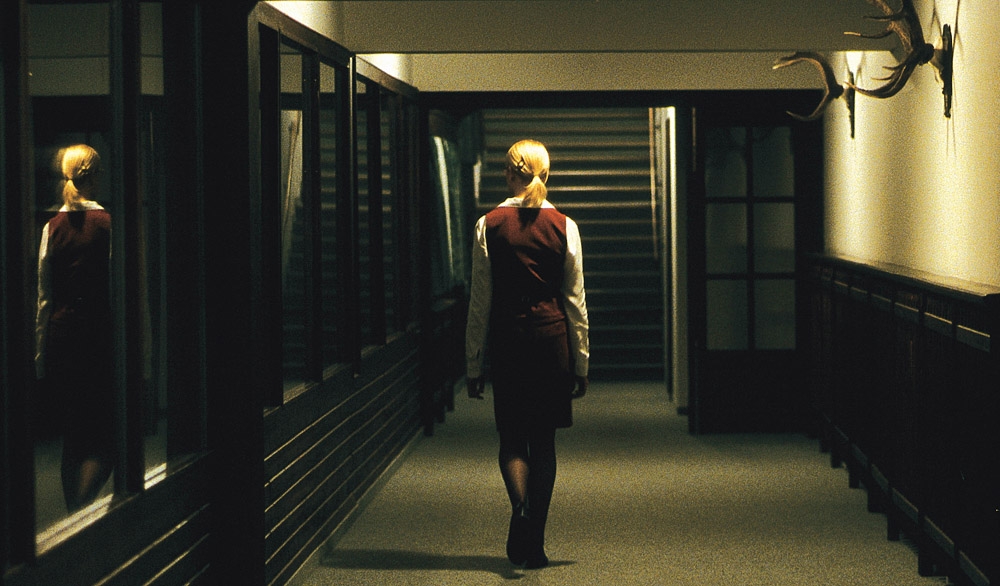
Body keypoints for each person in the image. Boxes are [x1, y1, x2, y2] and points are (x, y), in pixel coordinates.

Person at [465, 139, 589, 569]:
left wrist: (473, 362)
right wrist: (582, 361)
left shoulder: (489, 225)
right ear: (545, 175)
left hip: (509, 341)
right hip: (551, 341)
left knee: (513, 438)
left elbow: (480, 300)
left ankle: (520, 506)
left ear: (508, 173)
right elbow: (575, 301)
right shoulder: (565, 226)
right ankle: (534, 542)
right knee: (544, 442)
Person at [36, 144, 115, 512]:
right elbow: (118, 290)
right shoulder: (107, 224)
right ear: (94, 176)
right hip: (97, 339)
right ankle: (81, 512)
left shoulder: (51, 228)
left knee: (74, 436)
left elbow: (44, 298)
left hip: (61, 338)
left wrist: (40, 357)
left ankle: (74, 514)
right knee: (106, 439)